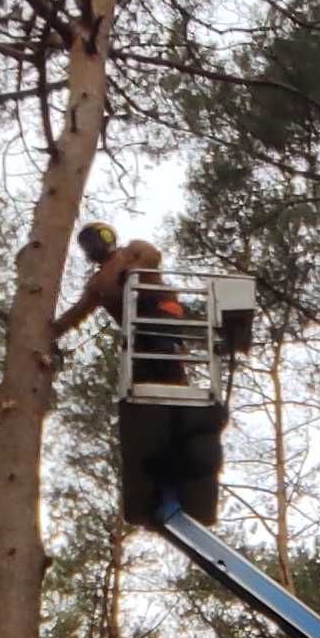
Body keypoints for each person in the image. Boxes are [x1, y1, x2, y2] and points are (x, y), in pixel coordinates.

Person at [54, 222, 228, 528]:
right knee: (146, 383)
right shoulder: (97, 284)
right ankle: (164, 464)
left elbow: (152, 254)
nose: (94, 248)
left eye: (96, 240)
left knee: (167, 365)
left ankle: (179, 413)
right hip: (137, 334)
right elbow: (79, 311)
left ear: (107, 238)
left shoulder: (132, 250)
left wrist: (130, 272)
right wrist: (53, 330)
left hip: (159, 310)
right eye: (88, 245)